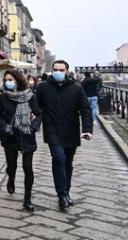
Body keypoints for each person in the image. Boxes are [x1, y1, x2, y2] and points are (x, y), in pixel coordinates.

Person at [36, 60, 92, 211]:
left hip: (71, 131)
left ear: (67, 71)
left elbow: (86, 110)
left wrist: (87, 129)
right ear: (52, 70)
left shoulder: (76, 88)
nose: (58, 72)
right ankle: (61, 195)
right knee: (58, 159)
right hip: (52, 130)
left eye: (61, 70)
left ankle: (66, 191)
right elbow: (35, 107)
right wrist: (32, 123)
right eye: (55, 69)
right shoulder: (43, 87)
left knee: (68, 162)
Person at [0, 70, 42, 212]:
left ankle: (27, 199)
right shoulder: (2, 97)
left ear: (18, 81)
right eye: (6, 80)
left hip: (27, 136)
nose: (8, 82)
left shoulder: (30, 96)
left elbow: (38, 114)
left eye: (11, 79)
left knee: (28, 168)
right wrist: (4, 126)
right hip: (10, 136)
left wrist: (33, 127)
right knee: (12, 166)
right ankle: (11, 178)